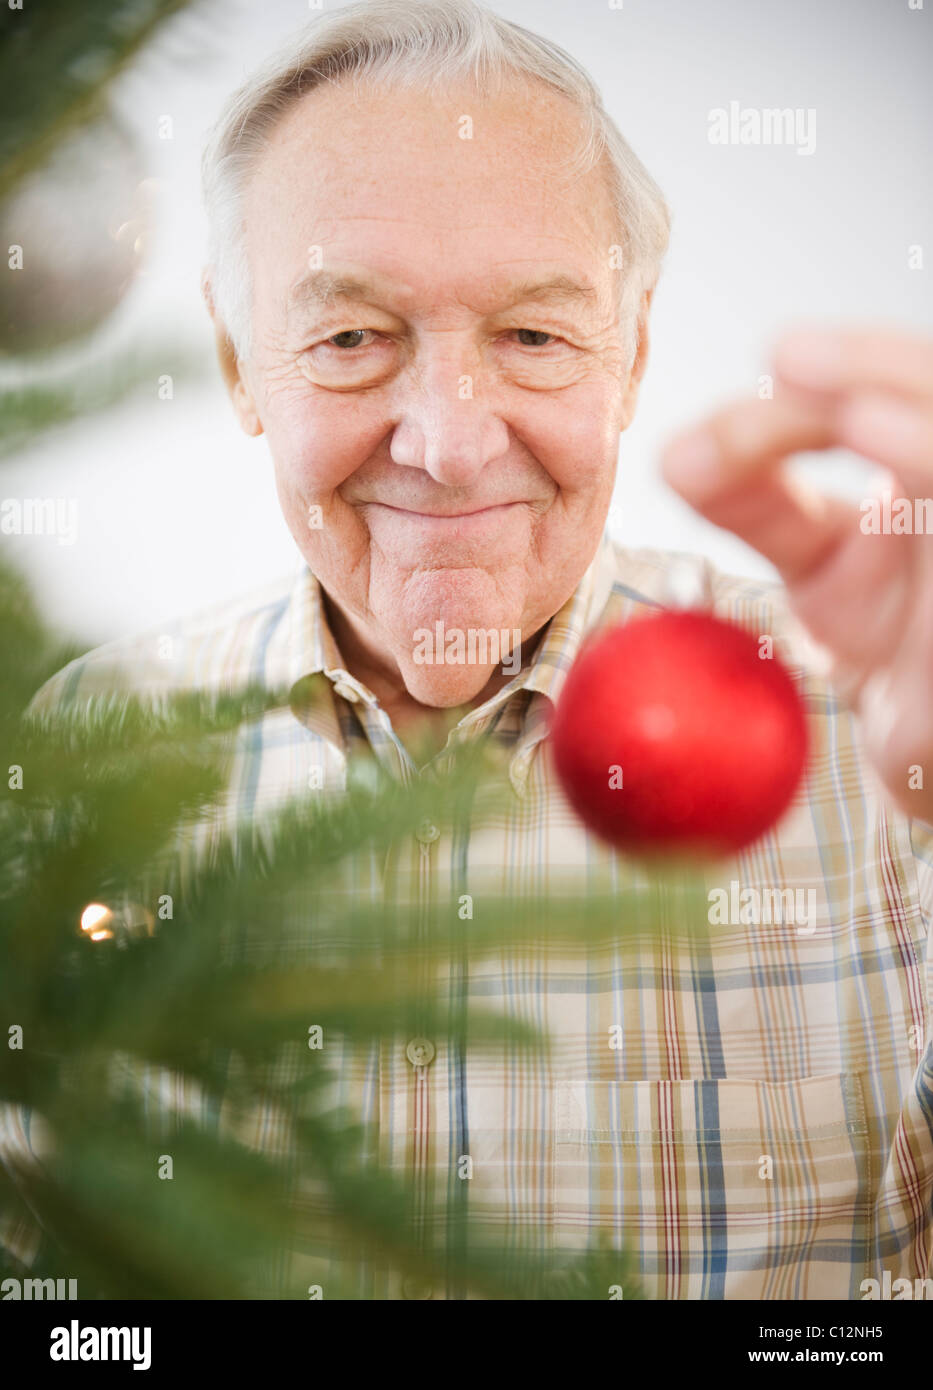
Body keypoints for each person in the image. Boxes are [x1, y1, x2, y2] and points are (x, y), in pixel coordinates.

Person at [17, 0, 933, 1299]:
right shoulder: (88, 743)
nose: (448, 444)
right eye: (349, 338)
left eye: (533, 336)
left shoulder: (880, 717)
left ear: (630, 356)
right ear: (237, 361)